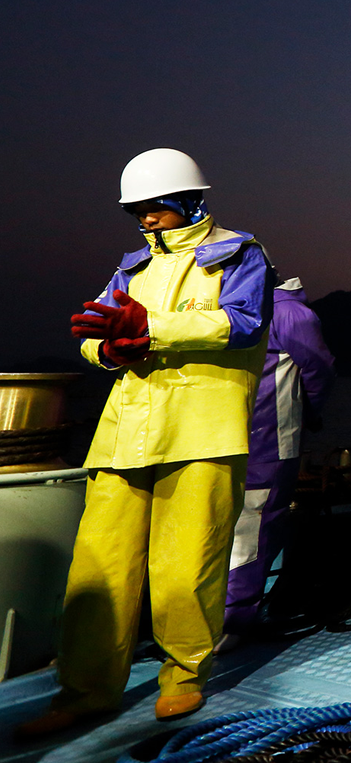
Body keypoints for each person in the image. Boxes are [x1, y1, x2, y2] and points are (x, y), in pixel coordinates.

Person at [17, 149, 272, 739]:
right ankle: (84, 690)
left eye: (154, 207)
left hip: (204, 430)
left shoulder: (240, 253)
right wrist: (107, 350)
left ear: (188, 201)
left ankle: (183, 675)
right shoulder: (131, 267)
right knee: (99, 568)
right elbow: (94, 332)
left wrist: (150, 329)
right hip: (123, 434)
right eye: (136, 211)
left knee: (187, 565)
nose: (145, 219)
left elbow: (244, 323)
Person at [220, 276, 335, 648]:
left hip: (269, 443)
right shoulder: (233, 308)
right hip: (221, 440)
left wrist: (305, 414)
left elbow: (319, 371)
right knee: (224, 528)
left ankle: (234, 622)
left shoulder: (290, 314)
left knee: (250, 531)